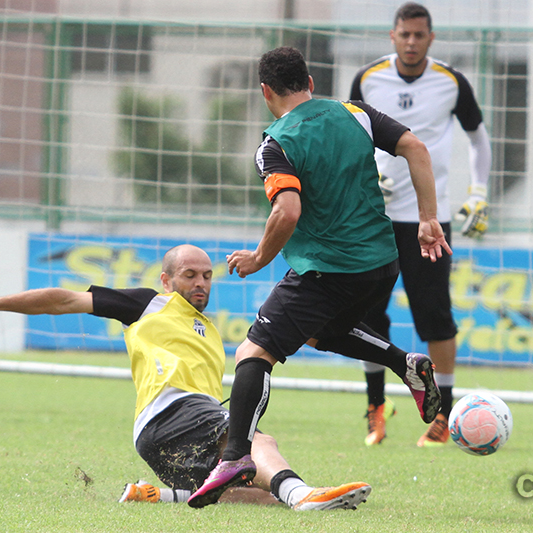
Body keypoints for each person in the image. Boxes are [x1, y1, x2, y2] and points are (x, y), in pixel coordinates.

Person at [187, 46, 451, 509]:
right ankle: (405, 364)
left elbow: (287, 210)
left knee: (253, 351)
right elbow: (416, 147)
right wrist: (428, 218)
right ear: (309, 82)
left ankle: (234, 457)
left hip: (327, 269)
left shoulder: (276, 143)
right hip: (380, 264)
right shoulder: (354, 113)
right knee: (323, 332)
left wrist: (258, 257)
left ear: (265, 91)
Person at [0, 244, 372, 511]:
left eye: (207, 275)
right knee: (258, 442)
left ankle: (155, 495)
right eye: (190, 275)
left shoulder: (209, 332)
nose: (201, 283)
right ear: (167, 280)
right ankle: (304, 496)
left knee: (249, 491)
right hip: (172, 410)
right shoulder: (149, 304)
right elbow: (62, 300)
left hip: (155, 437)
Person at [349, 2, 493, 447]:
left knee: (435, 316)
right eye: (404, 34)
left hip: (430, 222)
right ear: (392, 36)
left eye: (419, 35)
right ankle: (377, 407)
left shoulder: (451, 82)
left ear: (430, 38)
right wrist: (365, 176)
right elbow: (349, 136)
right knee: (366, 314)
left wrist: (479, 194)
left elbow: (479, 139)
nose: (411, 42)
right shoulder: (368, 79)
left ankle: (444, 415)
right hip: (374, 220)